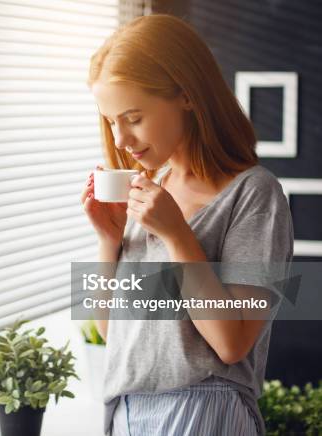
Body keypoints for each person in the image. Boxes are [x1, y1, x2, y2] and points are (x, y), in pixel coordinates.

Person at [80, 14, 294, 436]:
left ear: (187, 96)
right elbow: (109, 331)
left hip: (203, 411)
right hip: (126, 411)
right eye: (111, 121)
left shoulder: (254, 194)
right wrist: (110, 241)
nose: (120, 139)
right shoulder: (148, 191)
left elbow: (231, 343)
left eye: (134, 117)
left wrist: (177, 235)